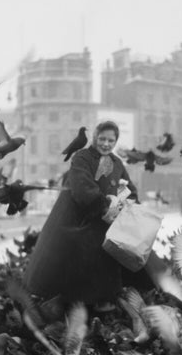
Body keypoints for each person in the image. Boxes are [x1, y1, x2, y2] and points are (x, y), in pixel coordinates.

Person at [23, 120, 158, 306]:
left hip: (107, 221)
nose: (106, 144)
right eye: (102, 139)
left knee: (122, 257)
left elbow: (132, 191)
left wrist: (127, 204)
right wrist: (103, 206)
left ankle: (109, 300)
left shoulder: (117, 163)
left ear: (115, 142)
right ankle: (74, 303)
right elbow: (82, 186)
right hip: (80, 218)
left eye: (111, 141)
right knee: (76, 263)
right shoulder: (82, 158)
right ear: (94, 138)